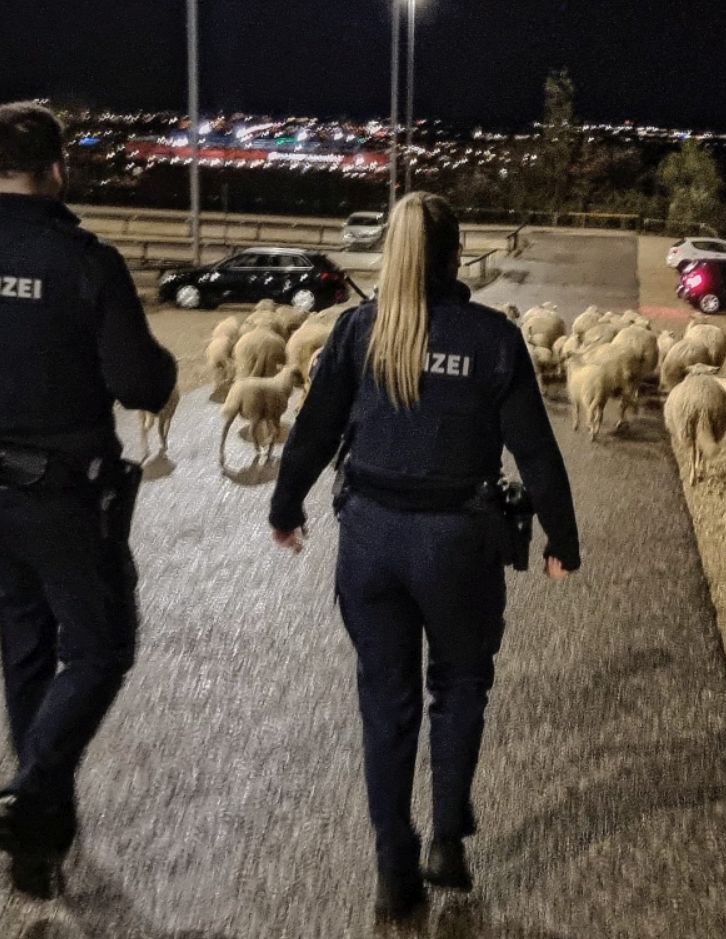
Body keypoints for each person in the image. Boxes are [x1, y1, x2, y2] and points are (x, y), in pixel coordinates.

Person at [0, 102, 177, 897]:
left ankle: (36, 849)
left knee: (26, 650)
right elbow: (139, 381)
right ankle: (30, 790)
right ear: (59, 170)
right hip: (69, 497)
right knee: (102, 645)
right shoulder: (85, 262)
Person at [269, 192, 581, 921]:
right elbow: (534, 449)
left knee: (386, 700)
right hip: (456, 542)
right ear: (454, 253)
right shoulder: (492, 339)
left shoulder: (358, 331)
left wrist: (285, 507)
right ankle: (446, 837)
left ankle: (392, 867)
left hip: (371, 539)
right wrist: (563, 540)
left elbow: (313, 432)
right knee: (461, 681)